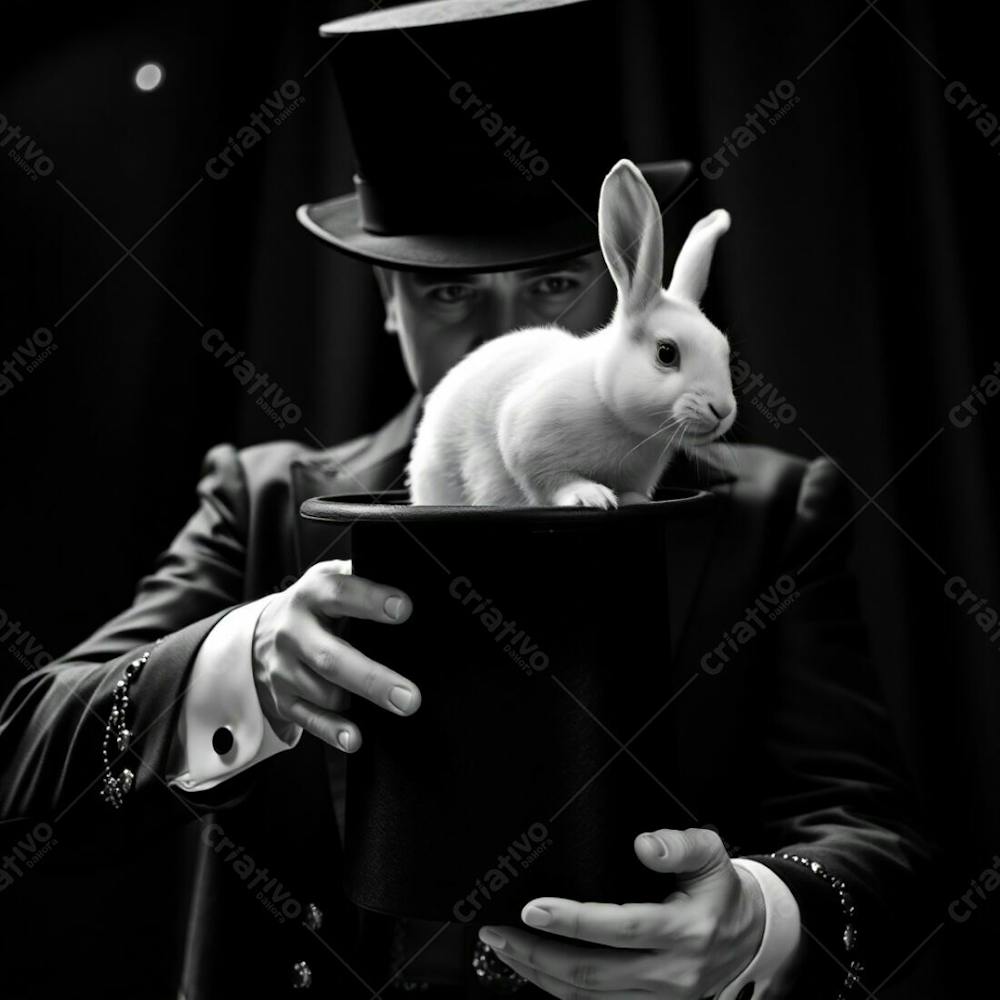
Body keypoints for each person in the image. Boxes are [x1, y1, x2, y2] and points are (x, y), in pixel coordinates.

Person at [0, 2, 932, 998]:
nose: (499, 339)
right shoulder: (264, 502)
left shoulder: (769, 514)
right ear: (385, 303)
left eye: (555, 285)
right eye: (449, 293)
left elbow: (879, 847)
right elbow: (24, 772)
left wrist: (756, 924)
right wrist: (247, 660)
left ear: (627, 289)